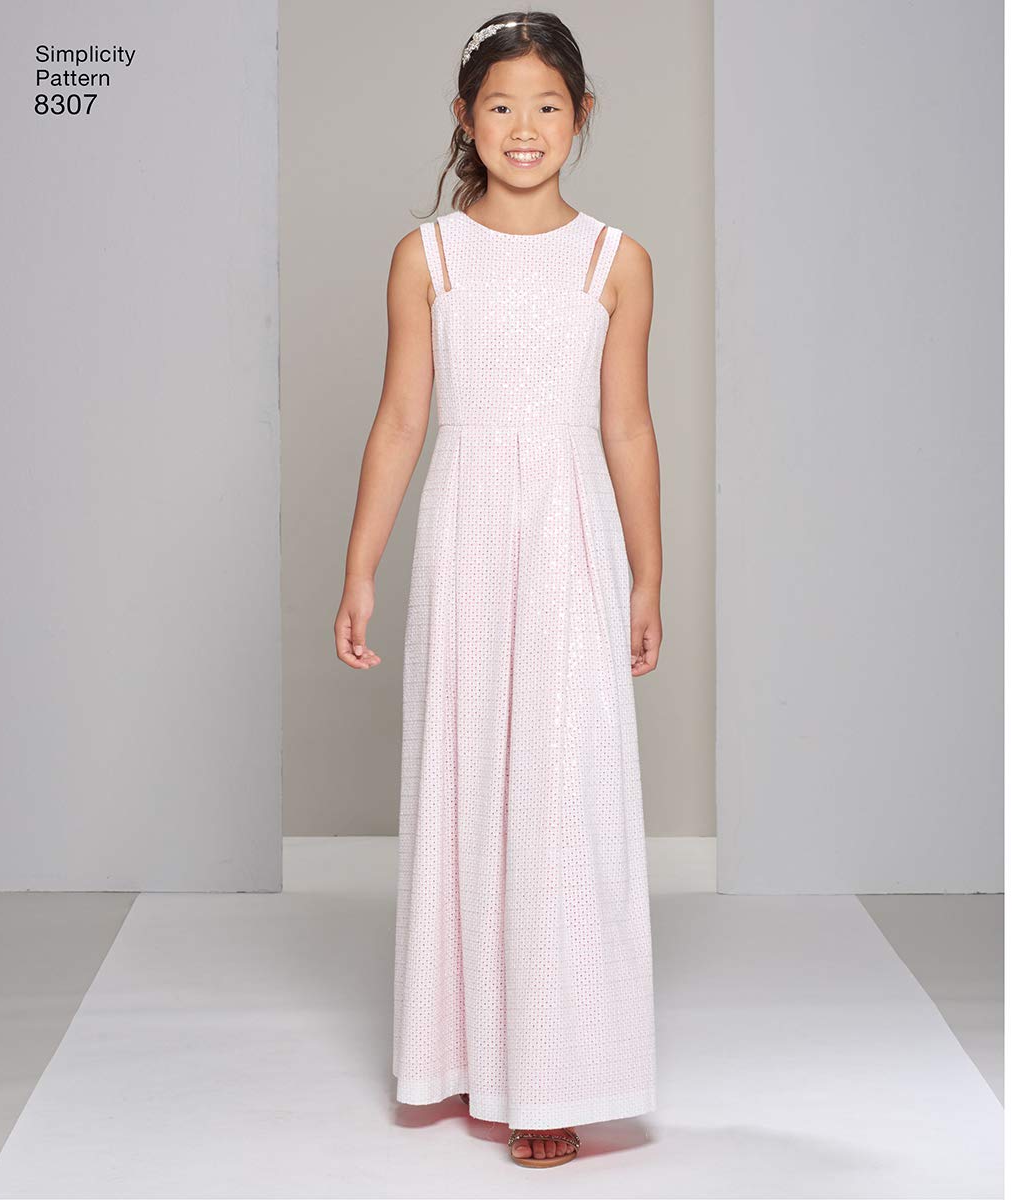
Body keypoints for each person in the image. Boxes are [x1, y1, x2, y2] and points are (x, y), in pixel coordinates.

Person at [333, 11, 662, 1169]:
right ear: (466, 119)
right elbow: (401, 420)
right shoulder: (427, 257)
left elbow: (627, 426)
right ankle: (465, 1051)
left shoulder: (616, 260)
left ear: (582, 115)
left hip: (570, 540)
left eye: (548, 105)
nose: (526, 127)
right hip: (467, 536)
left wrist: (648, 573)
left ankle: (554, 1077)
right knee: (471, 781)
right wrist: (360, 567)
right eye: (502, 105)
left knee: (563, 797)